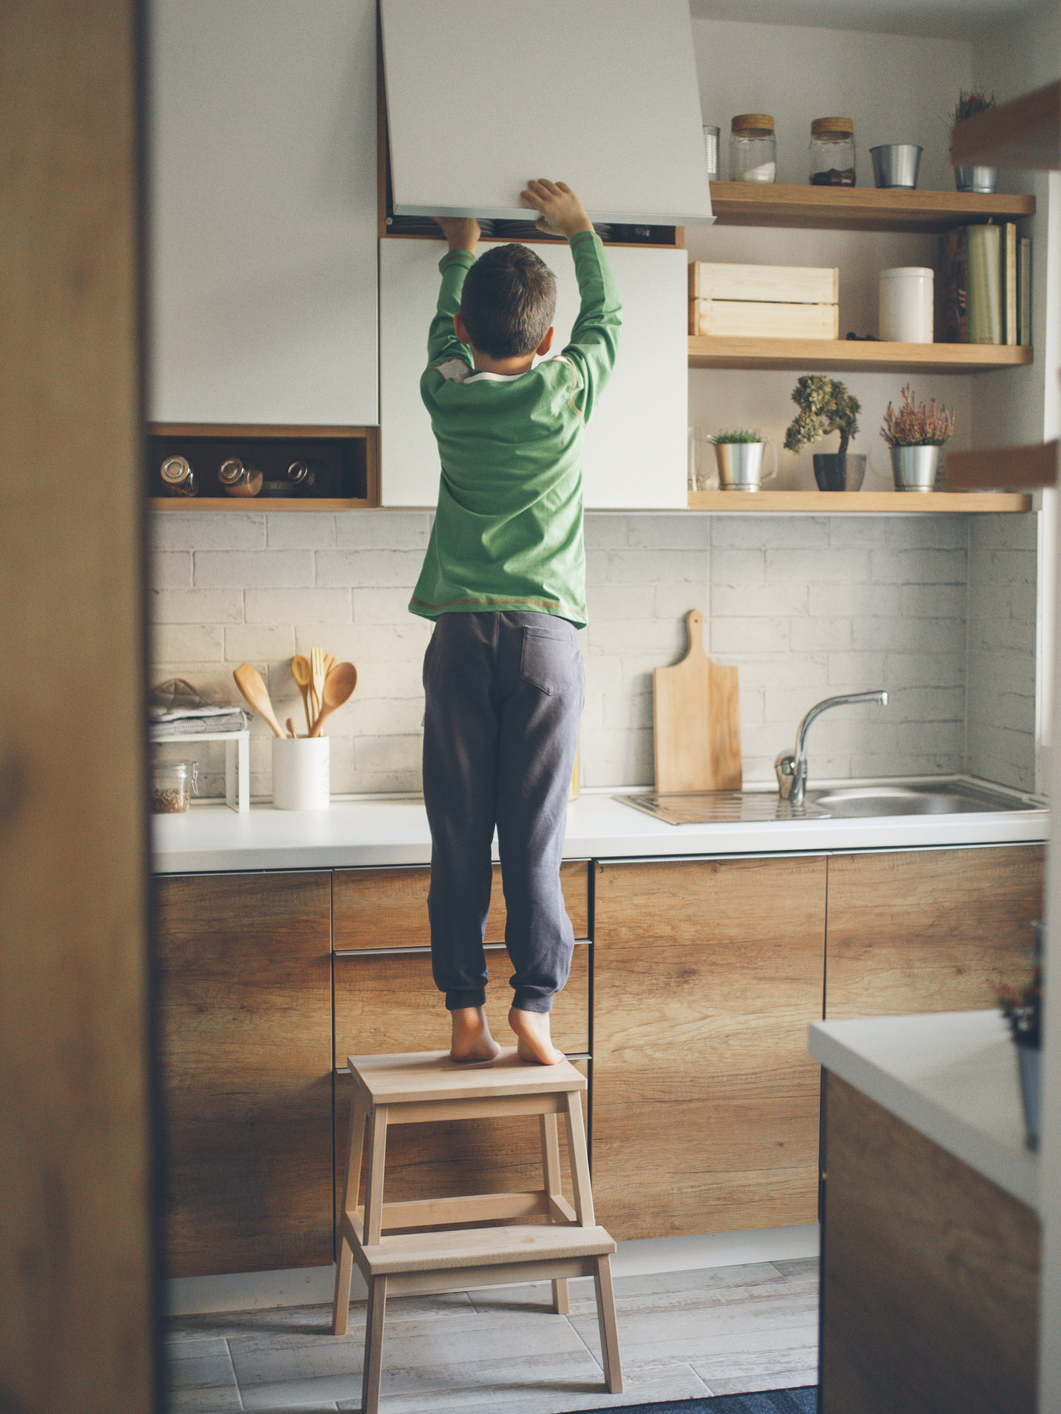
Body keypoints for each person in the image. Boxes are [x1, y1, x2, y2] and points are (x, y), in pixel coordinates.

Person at [410, 178, 620, 1066]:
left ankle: (467, 1014)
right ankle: (534, 1007)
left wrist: (459, 248)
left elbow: (441, 332)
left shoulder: (444, 392)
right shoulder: (566, 392)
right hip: (544, 640)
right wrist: (581, 231)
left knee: (458, 834)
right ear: (544, 339)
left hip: (460, 637)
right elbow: (604, 323)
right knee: (532, 836)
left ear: (464, 329)